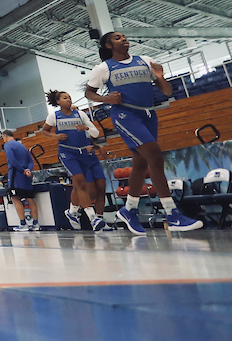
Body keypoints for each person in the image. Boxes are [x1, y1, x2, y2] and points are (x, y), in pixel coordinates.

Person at [85, 32, 201, 233]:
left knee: (140, 163)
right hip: (125, 115)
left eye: (124, 36)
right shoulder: (104, 68)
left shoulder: (145, 61)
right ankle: (172, 214)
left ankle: (129, 209)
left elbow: (167, 92)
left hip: (149, 115)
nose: (124, 39)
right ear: (108, 45)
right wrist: (106, 100)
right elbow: (89, 92)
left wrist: (160, 77)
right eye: (118, 38)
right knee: (155, 157)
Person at [41, 90, 112, 232]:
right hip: (67, 152)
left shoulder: (81, 114)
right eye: (65, 98)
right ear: (58, 102)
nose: (69, 99)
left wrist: (86, 128)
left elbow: (96, 133)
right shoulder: (54, 116)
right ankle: (93, 218)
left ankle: (74, 212)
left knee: (98, 186)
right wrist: (56, 137)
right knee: (80, 183)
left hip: (84, 153)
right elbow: (44, 131)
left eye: (70, 97)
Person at [1, 130, 40, 231]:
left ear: (5, 136)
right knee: (30, 198)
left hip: (16, 175)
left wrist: (22, 170)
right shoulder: (22, 145)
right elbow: (30, 160)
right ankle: (36, 224)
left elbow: (12, 159)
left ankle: (23, 224)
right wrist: (28, 170)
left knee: (16, 198)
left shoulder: (8, 145)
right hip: (26, 176)